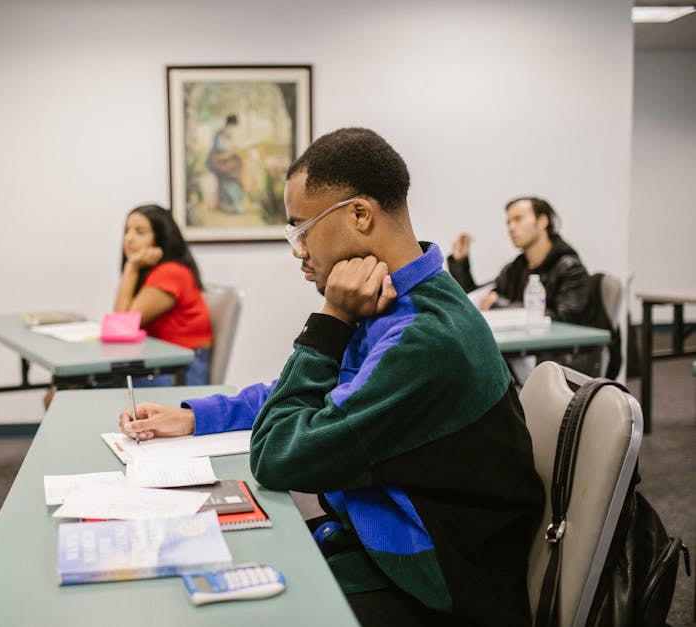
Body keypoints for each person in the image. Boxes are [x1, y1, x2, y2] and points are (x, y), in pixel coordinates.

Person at [118, 128, 544, 626]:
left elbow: (278, 454)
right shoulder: (401, 299)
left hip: (431, 586)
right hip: (378, 539)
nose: (297, 250)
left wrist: (330, 319)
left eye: (301, 229)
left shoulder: (422, 339)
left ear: (359, 215)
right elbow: (310, 395)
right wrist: (198, 417)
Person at [114, 204, 212, 386]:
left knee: (68, 393)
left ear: (161, 238)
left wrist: (131, 267)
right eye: (127, 231)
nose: (129, 239)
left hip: (181, 370)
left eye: (140, 232)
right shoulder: (154, 272)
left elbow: (122, 326)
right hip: (161, 364)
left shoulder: (170, 273)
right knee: (66, 391)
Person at [447, 196, 590, 322]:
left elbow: (566, 321)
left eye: (518, 219)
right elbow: (479, 299)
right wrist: (460, 262)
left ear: (542, 221)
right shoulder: (514, 269)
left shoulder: (569, 268)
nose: (511, 228)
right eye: (508, 222)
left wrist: (501, 307)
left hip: (552, 351)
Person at [206, 114, 245, 214]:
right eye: (231, 127)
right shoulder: (219, 136)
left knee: (237, 169)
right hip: (219, 163)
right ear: (227, 125)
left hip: (228, 163)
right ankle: (227, 204)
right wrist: (227, 156)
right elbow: (218, 153)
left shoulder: (231, 137)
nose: (232, 130)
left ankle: (236, 203)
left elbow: (233, 150)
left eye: (234, 127)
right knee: (229, 177)